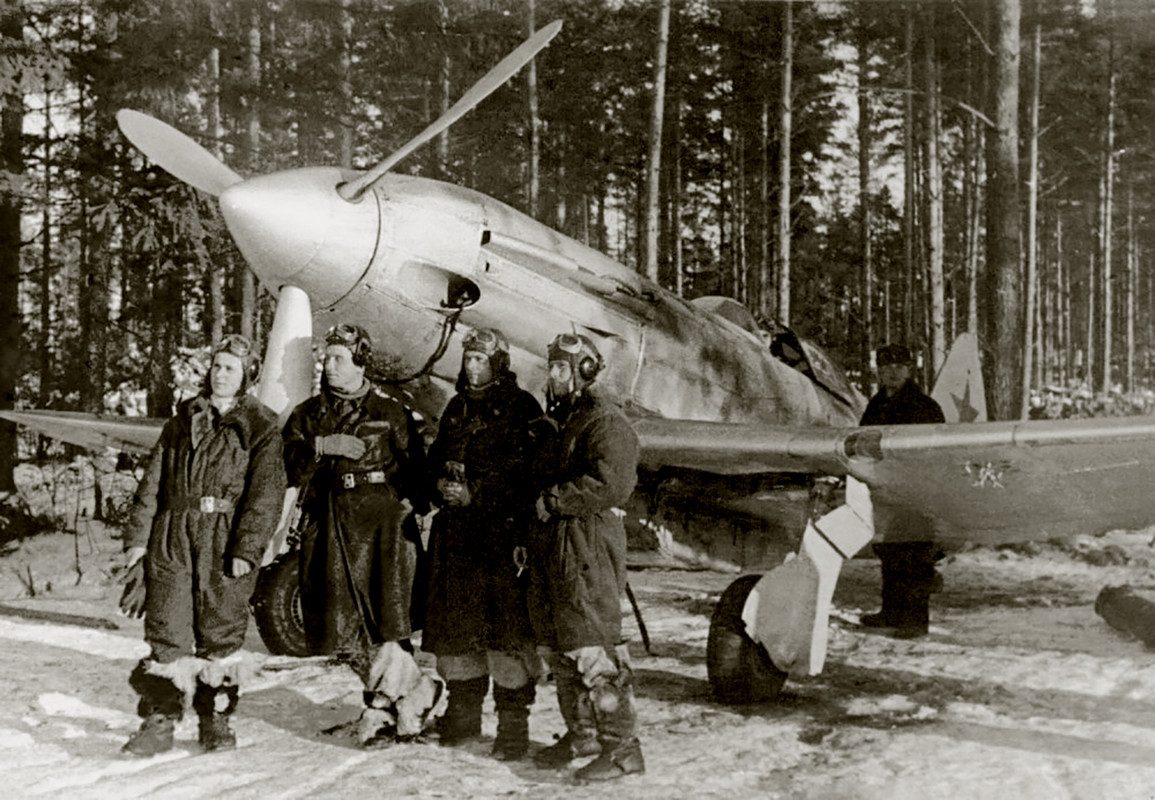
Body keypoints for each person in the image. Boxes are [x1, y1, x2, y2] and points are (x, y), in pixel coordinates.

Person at [121, 334, 286, 756]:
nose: (220, 373)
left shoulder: (262, 426)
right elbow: (151, 484)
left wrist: (247, 550)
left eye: (230, 367)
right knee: (166, 629)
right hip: (172, 533)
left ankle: (215, 721)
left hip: (224, 537)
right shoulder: (182, 421)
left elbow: (265, 496)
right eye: (216, 365)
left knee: (221, 632)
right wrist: (138, 542)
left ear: (246, 375)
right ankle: (158, 722)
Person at [282, 323, 440, 746]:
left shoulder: (390, 412)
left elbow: (418, 468)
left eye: (338, 358)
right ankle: (413, 692)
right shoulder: (308, 415)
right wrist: (321, 446)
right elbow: (286, 466)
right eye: (326, 358)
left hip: (383, 528)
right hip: (331, 523)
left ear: (360, 362)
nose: (329, 365)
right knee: (341, 625)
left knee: (390, 619)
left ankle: (380, 708)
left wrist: (408, 504)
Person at [422, 328, 546, 760]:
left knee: (506, 635)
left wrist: (478, 492)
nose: (472, 367)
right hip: (457, 540)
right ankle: (462, 714)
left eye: (480, 359)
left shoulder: (522, 408)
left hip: (501, 539)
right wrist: (438, 484)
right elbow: (436, 457)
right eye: (468, 358)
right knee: (458, 633)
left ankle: (513, 726)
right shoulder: (455, 408)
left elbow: (528, 473)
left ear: (499, 364)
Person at [528, 333, 644, 781]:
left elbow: (612, 484)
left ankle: (623, 748)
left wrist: (556, 500)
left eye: (562, 367)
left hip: (587, 544)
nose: (554, 375)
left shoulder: (605, 423)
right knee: (561, 648)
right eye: (551, 366)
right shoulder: (560, 423)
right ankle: (583, 734)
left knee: (591, 646)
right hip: (552, 545)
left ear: (587, 371)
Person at [858, 344, 946, 638]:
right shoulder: (875, 404)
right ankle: (891, 613)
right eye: (886, 367)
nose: (892, 372)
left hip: (916, 490)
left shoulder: (924, 406)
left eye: (899, 366)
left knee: (915, 553)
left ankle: (915, 621)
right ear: (879, 371)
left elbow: (936, 450)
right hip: (886, 488)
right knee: (890, 551)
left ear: (910, 370)